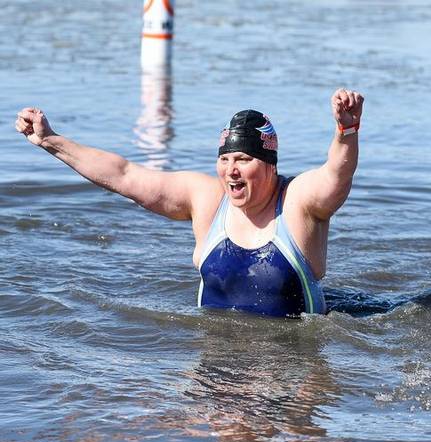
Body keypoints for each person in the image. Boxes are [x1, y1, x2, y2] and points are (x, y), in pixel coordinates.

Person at [15, 88, 364, 317]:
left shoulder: (297, 202)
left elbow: (336, 175)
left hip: (290, 364)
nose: (231, 171)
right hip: (217, 360)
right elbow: (124, 175)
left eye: (244, 159)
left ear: (270, 165)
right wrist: (51, 140)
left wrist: (346, 132)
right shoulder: (206, 199)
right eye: (225, 160)